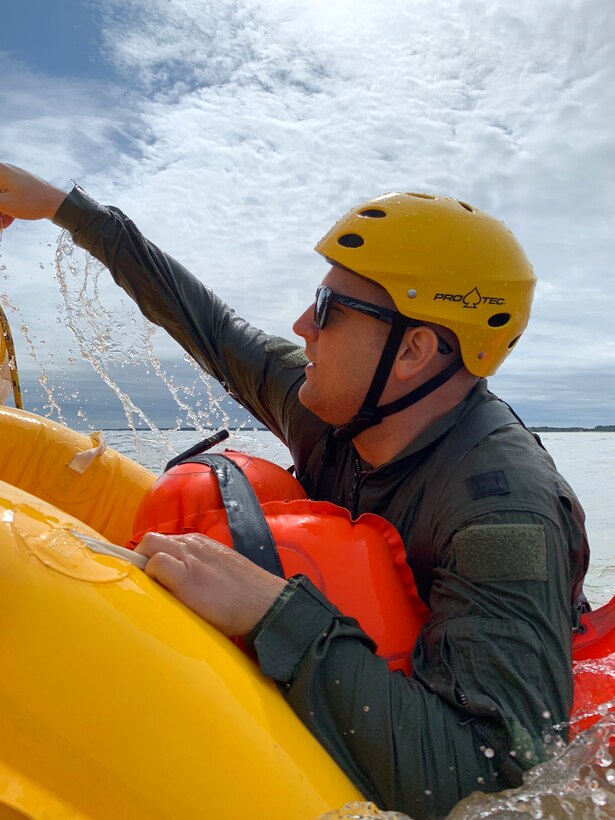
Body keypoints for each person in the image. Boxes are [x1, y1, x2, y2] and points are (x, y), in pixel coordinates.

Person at [0, 163, 589, 818]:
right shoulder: (333, 406)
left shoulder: (504, 514)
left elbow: (495, 783)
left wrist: (275, 613)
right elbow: (208, 326)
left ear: (414, 349)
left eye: (330, 308)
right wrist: (62, 207)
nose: (302, 323)